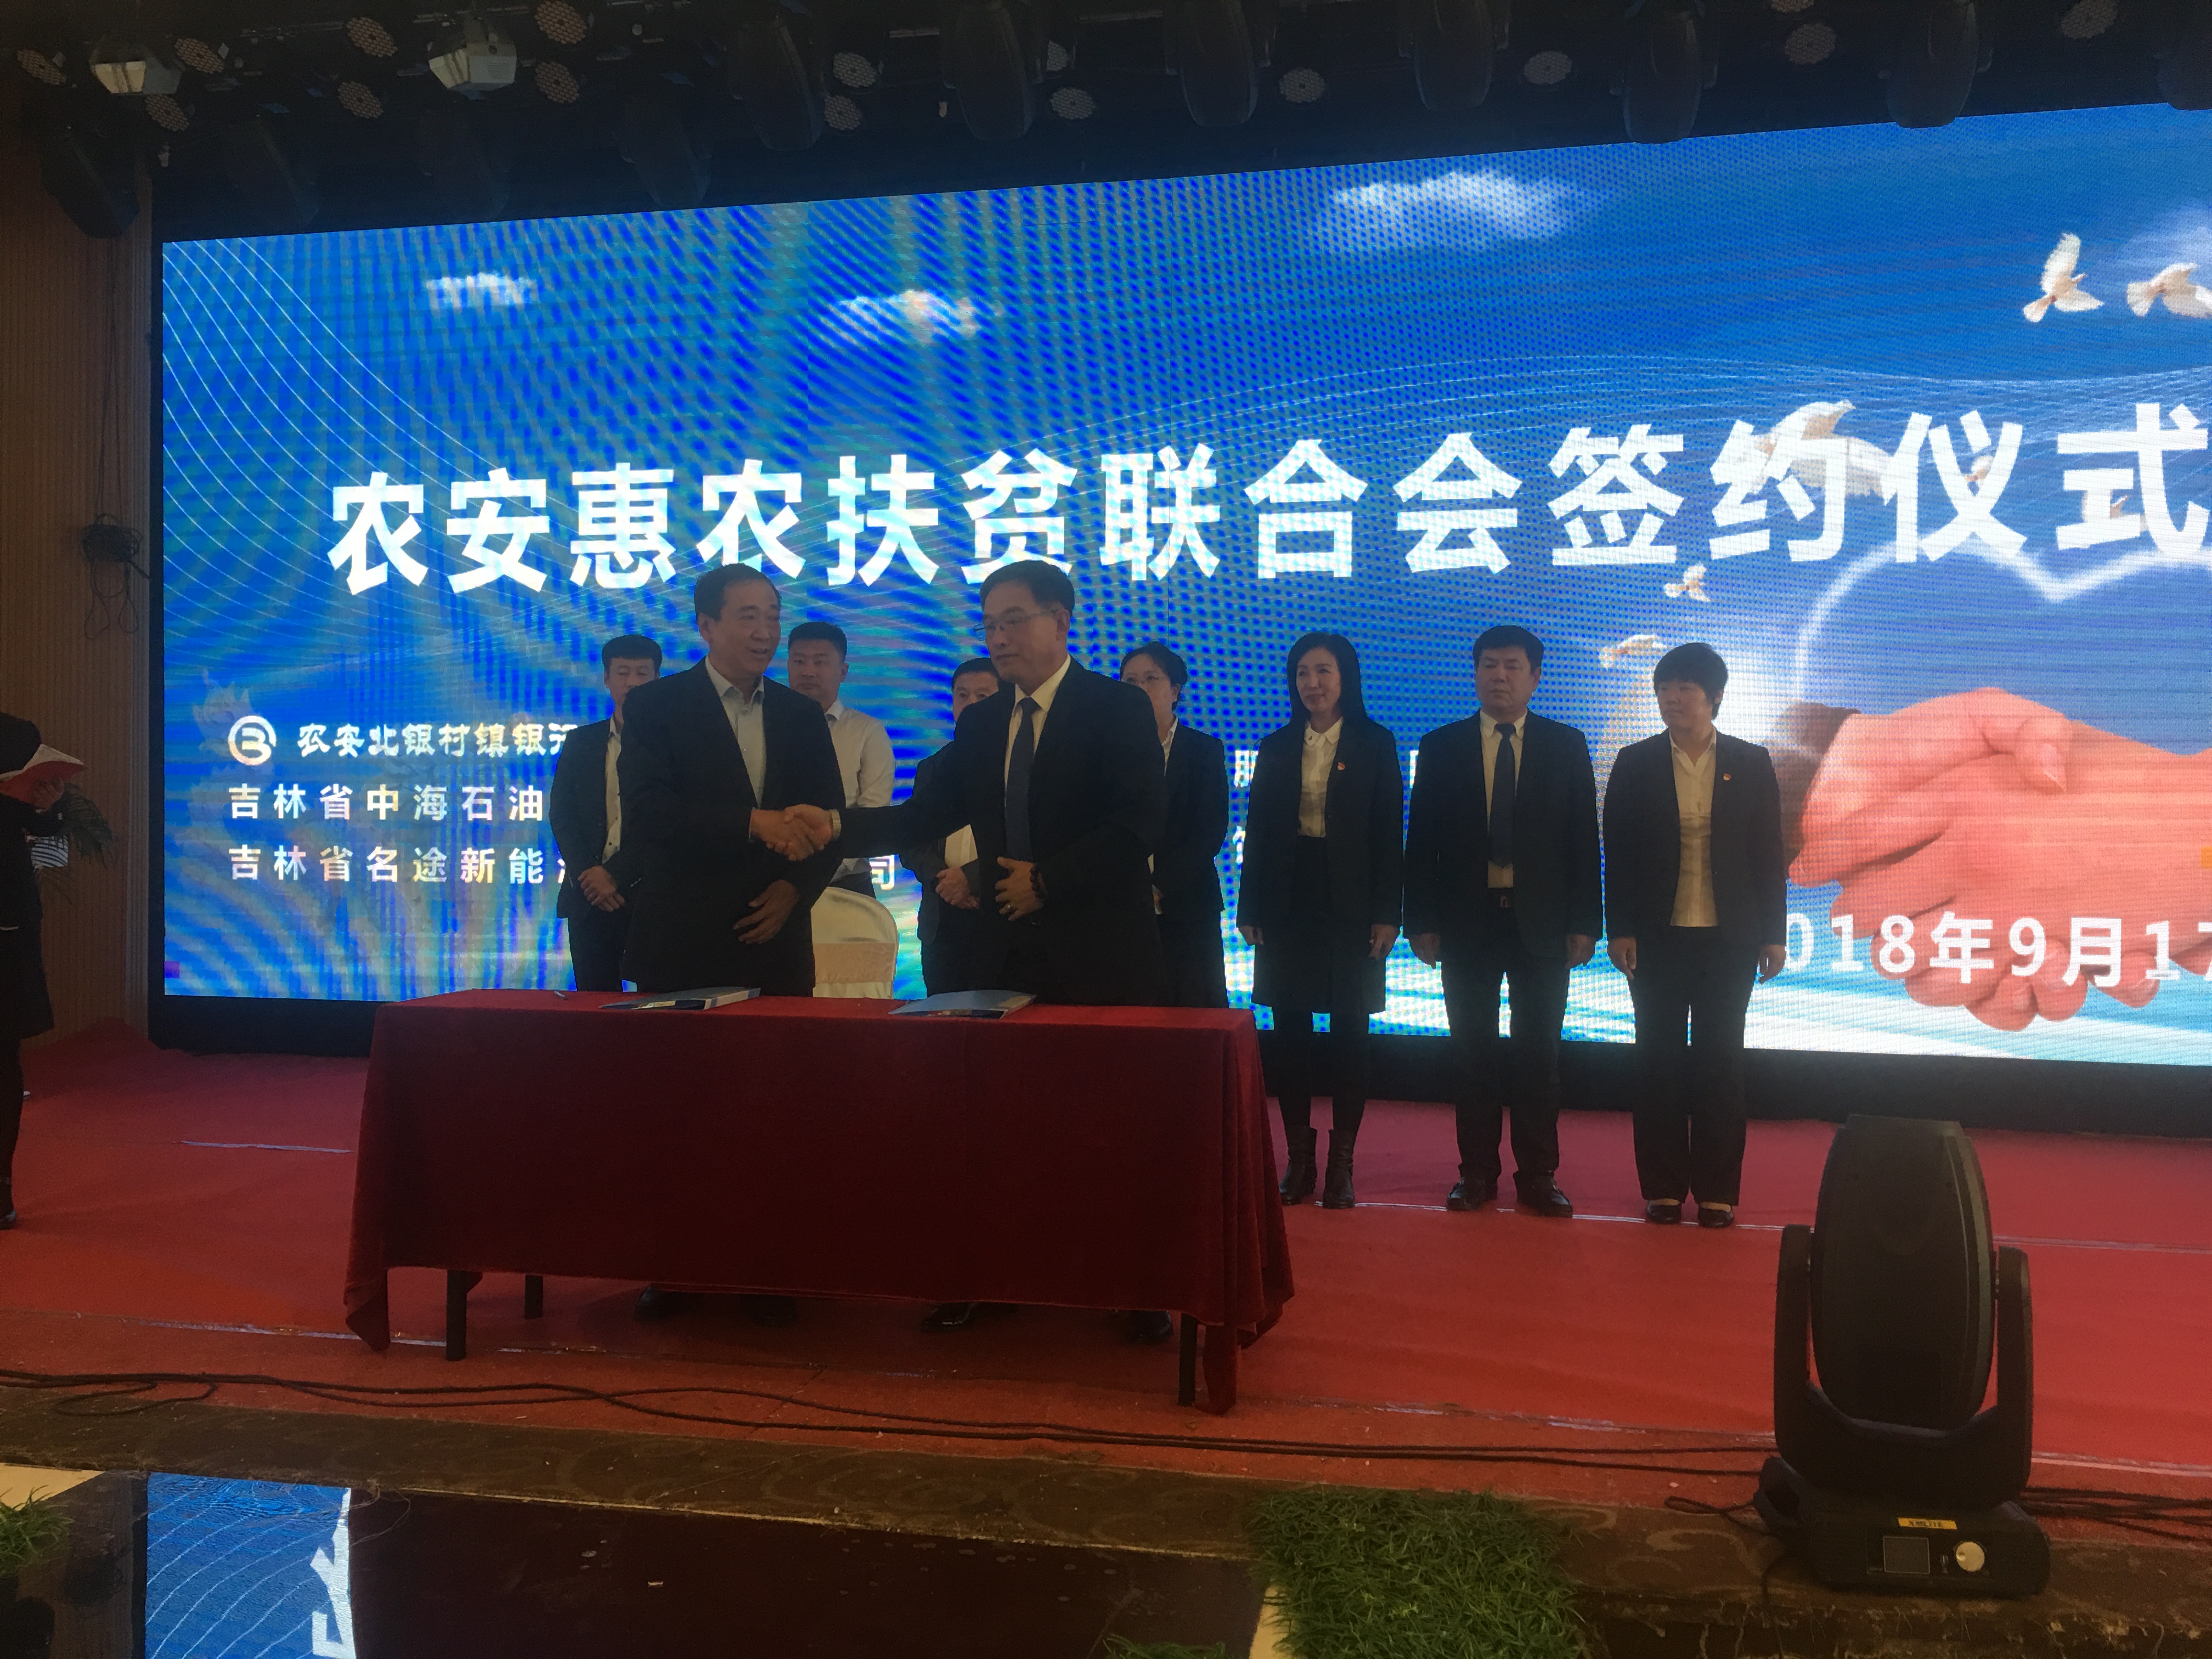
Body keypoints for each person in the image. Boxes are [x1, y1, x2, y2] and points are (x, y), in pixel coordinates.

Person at [764, 561, 1169, 1339]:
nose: (999, 637)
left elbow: (1138, 823)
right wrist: (837, 825)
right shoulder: (983, 725)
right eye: (989, 624)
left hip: (1101, 956)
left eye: (1014, 620)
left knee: (1109, 1125)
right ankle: (994, 1275)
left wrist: (1047, 881)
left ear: (1060, 622)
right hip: (1001, 956)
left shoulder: (1116, 707)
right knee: (1001, 1126)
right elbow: (922, 815)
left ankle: (1133, 1284)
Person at [617, 567, 843, 1328]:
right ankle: (676, 1267)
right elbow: (649, 815)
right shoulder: (657, 706)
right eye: (747, 615)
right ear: (707, 626)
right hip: (682, 943)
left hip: (774, 944)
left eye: (772, 615)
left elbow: (825, 823)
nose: (765, 631)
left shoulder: (801, 713)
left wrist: (795, 892)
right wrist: (751, 823)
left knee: (777, 1117)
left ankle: (770, 1269)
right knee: (678, 1116)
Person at [1404, 625, 1599, 1218]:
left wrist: (1586, 922)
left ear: (1535, 677)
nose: (1500, 676)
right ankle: (1476, 1173)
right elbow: (1422, 842)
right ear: (1475, 674)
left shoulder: (1566, 745)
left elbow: (1582, 842)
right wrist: (1420, 920)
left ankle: (1538, 1175)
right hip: (1467, 922)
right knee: (1473, 1056)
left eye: (1513, 666)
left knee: (1539, 1058)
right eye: (1489, 665)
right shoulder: (1442, 745)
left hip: (1542, 924)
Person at [1602, 642, 1787, 1229]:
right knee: (1656, 1061)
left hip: (1730, 938)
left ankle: (1717, 1192)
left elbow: (1768, 854)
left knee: (1720, 1063)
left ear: (1715, 696)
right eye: (1664, 688)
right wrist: (1619, 928)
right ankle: (1662, 1188)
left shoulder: (1750, 762)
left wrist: (1774, 934)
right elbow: (1619, 856)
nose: (1672, 698)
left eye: (1685, 688)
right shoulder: (1635, 762)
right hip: (1656, 938)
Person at [1237, 633, 1403, 1211]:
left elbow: (1388, 835)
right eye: (1303, 672)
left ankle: (1342, 1164)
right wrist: (1250, 907)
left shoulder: (1375, 742)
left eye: (1324, 671)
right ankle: (1299, 1160)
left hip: (1352, 905)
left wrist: (1387, 914)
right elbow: (1259, 833)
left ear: (1346, 677)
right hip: (1288, 902)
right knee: (1290, 1036)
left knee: (1351, 1034)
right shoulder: (1277, 745)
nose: (1313, 683)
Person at [549, 634, 661, 992]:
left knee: (656, 1006)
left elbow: (667, 822)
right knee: (593, 1006)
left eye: (642, 673)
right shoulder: (581, 742)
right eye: (623, 673)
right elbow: (562, 814)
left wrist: (616, 875)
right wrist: (589, 875)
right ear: (607, 679)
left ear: (657, 679)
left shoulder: (673, 745)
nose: (632, 683)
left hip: (651, 898)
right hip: (589, 898)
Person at [1120, 642, 1230, 1009]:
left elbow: (1209, 831)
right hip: (1122, 910)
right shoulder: (1106, 751)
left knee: (1194, 1016)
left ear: (1175, 690)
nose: (1140, 689)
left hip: (1187, 905)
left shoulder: (1204, 751)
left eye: (1151, 679)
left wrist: (1158, 886)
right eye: (1130, 681)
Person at [898, 657, 1002, 995]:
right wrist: (945, 881)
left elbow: (1029, 840)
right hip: (942, 922)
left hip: (1001, 915)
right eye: (962, 695)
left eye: (983, 696)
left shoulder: (1022, 764)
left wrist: (971, 879)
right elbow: (912, 842)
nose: (970, 705)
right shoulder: (931, 767)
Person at [0, 715, 65, 1232]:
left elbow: (41, 829)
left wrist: (49, 805)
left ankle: (1, 1189)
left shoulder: (18, 736)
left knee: (4, 1060)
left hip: (8, 931)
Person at [786, 620, 894, 898]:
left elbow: (873, 813)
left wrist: (818, 873)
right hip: (773, 880)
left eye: (820, 662)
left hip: (846, 883)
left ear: (843, 672)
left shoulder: (867, 731)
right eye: (799, 661)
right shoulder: (768, 725)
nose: (808, 671)